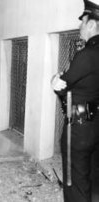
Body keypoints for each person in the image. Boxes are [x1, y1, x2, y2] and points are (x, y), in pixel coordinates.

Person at [51, 0, 99, 201]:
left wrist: (55, 80)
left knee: (74, 182)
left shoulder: (86, 55)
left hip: (78, 129)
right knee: (92, 177)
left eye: (83, 22)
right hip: (96, 126)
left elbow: (62, 87)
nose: (79, 26)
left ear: (92, 25)